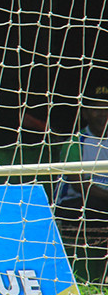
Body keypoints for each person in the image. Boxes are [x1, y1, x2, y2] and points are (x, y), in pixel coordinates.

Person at [53, 77, 108, 283]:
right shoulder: (75, 143)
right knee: (97, 206)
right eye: (96, 108)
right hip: (77, 205)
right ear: (85, 113)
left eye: (106, 108)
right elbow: (80, 185)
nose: (103, 114)